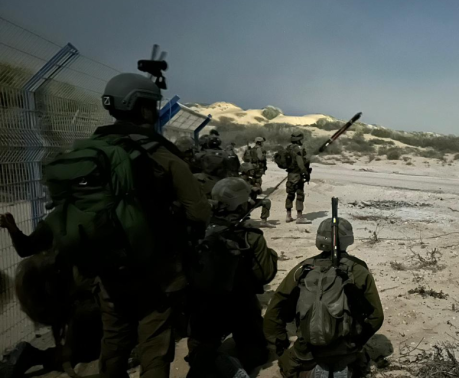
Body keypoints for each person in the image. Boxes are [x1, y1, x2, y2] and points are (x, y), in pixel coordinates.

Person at [3, 72, 211, 378]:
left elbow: (65, 212)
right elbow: (199, 213)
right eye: (152, 106)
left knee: (113, 344)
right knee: (155, 348)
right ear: (142, 110)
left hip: (106, 274)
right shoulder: (163, 156)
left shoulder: (85, 154)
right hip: (158, 275)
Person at [263, 217, 384, 377]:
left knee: (289, 367)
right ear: (348, 240)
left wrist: (281, 345)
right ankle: (342, 368)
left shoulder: (303, 269)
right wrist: (356, 342)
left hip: (306, 352)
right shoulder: (359, 270)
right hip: (345, 350)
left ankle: (312, 371)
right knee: (358, 363)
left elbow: (273, 314)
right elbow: (376, 316)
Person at [186, 177, 277, 374]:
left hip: (202, 302)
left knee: (201, 343)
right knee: (256, 353)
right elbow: (265, 274)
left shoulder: (197, 229)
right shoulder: (249, 235)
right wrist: (272, 256)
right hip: (240, 302)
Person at [284, 132, 310, 223]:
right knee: (299, 194)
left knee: (290, 194)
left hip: (290, 175)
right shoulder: (298, 149)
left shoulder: (288, 148)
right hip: (297, 175)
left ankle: (288, 215)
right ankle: (299, 217)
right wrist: (305, 172)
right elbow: (300, 163)